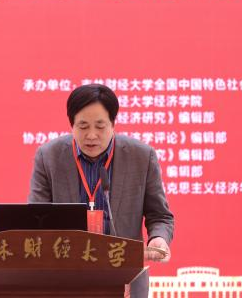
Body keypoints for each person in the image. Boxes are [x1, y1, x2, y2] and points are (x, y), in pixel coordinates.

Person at [28, 83, 174, 297]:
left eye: (100, 126)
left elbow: (160, 216)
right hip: (66, 279)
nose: (91, 135)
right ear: (71, 125)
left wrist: (158, 238)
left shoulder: (142, 157)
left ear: (113, 124)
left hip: (125, 279)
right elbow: (36, 218)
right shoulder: (49, 157)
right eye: (83, 126)